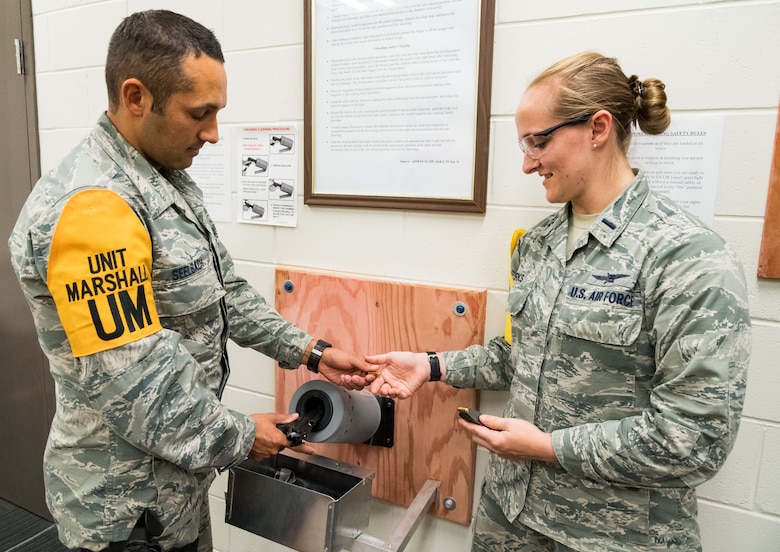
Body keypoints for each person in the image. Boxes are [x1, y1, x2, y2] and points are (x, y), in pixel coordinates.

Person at [8, 10, 373, 552]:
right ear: (136, 96)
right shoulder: (93, 212)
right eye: (199, 114)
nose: (213, 133)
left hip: (177, 481)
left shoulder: (162, 175)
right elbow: (138, 387)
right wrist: (244, 437)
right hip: (126, 509)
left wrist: (311, 351)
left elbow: (224, 291)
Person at [365, 52, 751, 551]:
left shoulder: (688, 257)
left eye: (539, 141)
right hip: (509, 519)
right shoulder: (538, 244)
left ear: (598, 128)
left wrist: (547, 448)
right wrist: (430, 364)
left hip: (612, 537)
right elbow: (521, 358)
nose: (528, 163)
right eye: (524, 144)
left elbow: (695, 441)